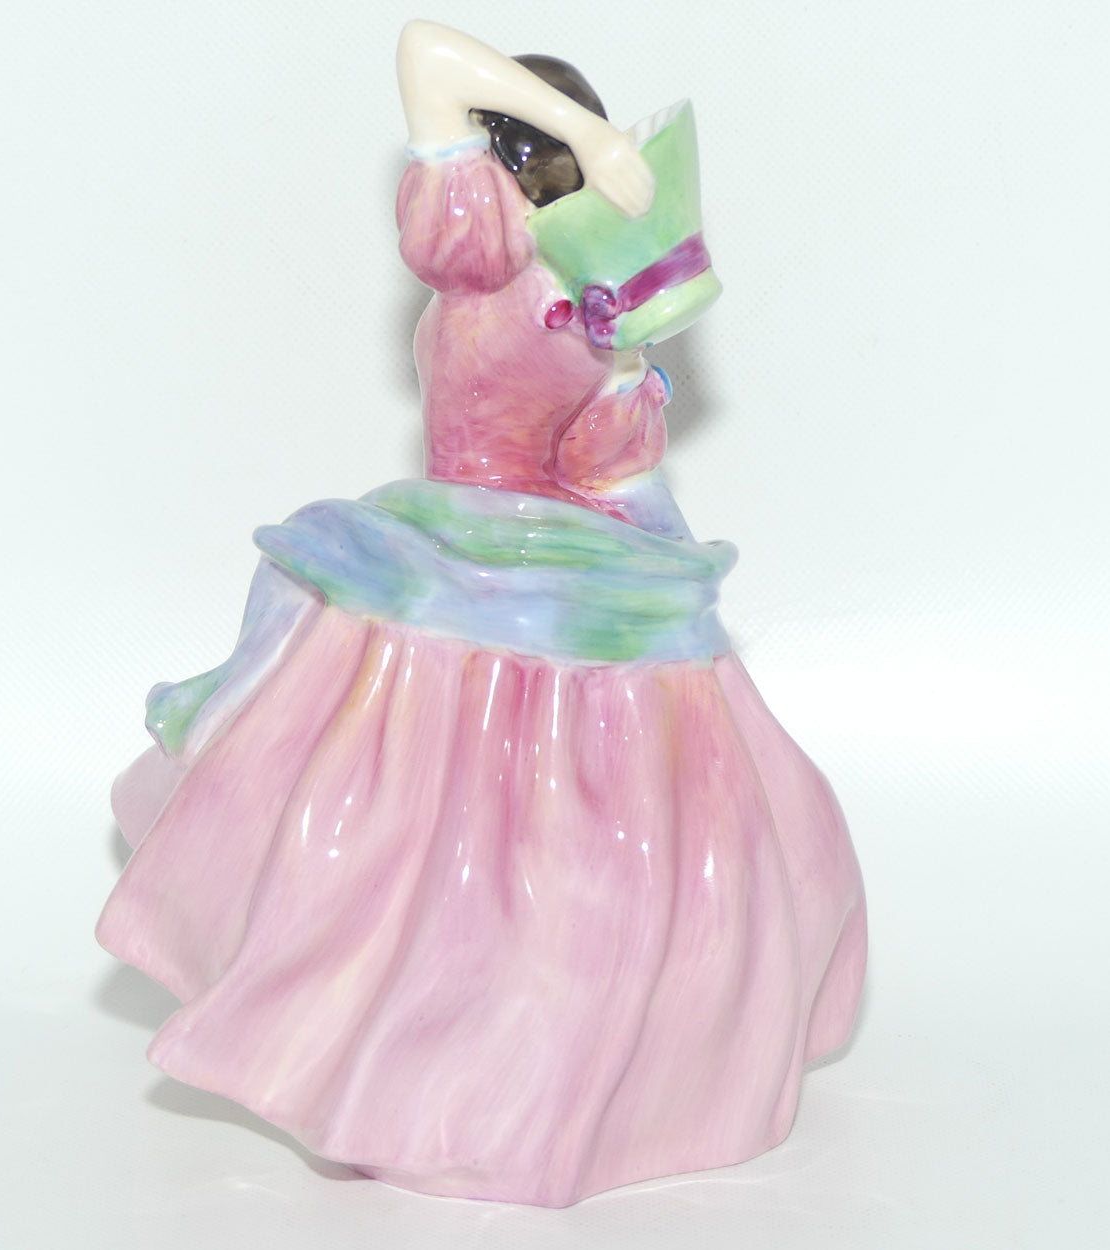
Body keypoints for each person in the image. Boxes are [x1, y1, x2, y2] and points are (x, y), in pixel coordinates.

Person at [98, 21, 866, 1207]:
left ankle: (490, 1064)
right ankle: (455, 1051)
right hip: (479, 553)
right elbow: (430, 51)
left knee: (492, 833)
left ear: (492, 167)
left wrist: (660, 569)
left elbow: (428, 59)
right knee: (466, 827)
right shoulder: (518, 268)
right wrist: (596, 142)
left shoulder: (520, 274)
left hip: (501, 563)